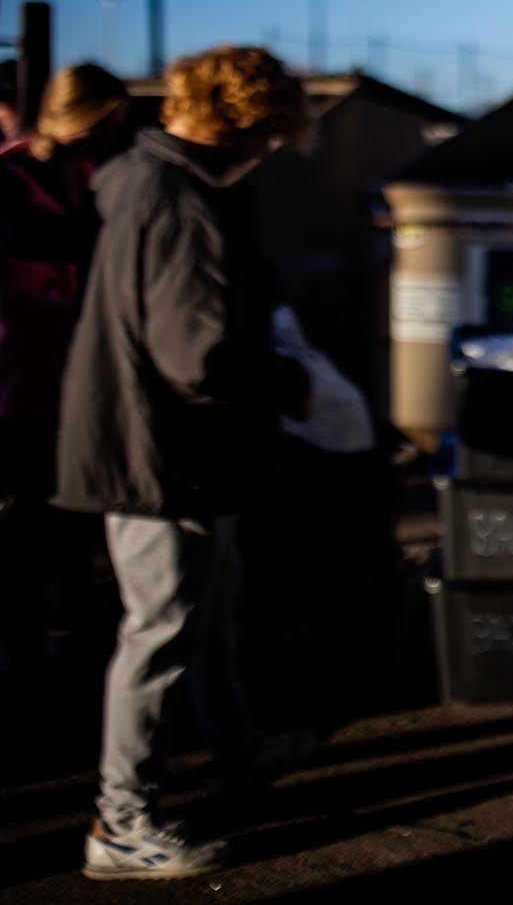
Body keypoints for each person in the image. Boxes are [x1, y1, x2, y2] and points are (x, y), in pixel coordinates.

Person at [53, 46, 314, 881]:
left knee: (202, 606)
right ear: (247, 123)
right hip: (163, 453)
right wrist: (284, 378)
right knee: (162, 627)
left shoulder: (131, 173)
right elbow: (194, 353)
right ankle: (119, 823)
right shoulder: (188, 197)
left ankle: (236, 753)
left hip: (146, 441)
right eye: (269, 132)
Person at [0, 65, 132, 686]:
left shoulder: (91, 178)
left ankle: (70, 631)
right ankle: (24, 635)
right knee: (28, 516)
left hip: (79, 374)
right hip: (22, 376)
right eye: (108, 117)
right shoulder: (12, 177)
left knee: (77, 510)